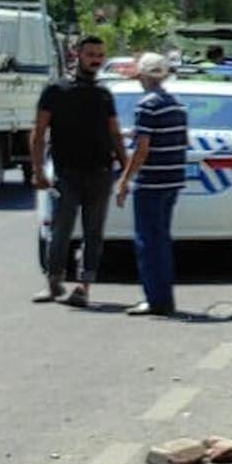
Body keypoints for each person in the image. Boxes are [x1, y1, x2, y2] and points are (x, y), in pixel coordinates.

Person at [31, 34, 125, 306]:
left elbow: (115, 134)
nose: (95, 59)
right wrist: (37, 170)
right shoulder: (55, 91)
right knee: (61, 229)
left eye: (99, 55)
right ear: (77, 55)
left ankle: (84, 288)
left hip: (100, 172)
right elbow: (38, 132)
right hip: (66, 173)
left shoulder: (104, 95)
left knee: (93, 233)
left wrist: (126, 169)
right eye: (90, 54)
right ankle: (53, 284)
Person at [117, 53, 189, 318]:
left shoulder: (146, 105)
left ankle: (156, 299)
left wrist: (125, 179)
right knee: (160, 239)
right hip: (172, 180)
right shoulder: (176, 104)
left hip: (152, 181)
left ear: (144, 76)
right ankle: (162, 296)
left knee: (148, 242)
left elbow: (143, 148)